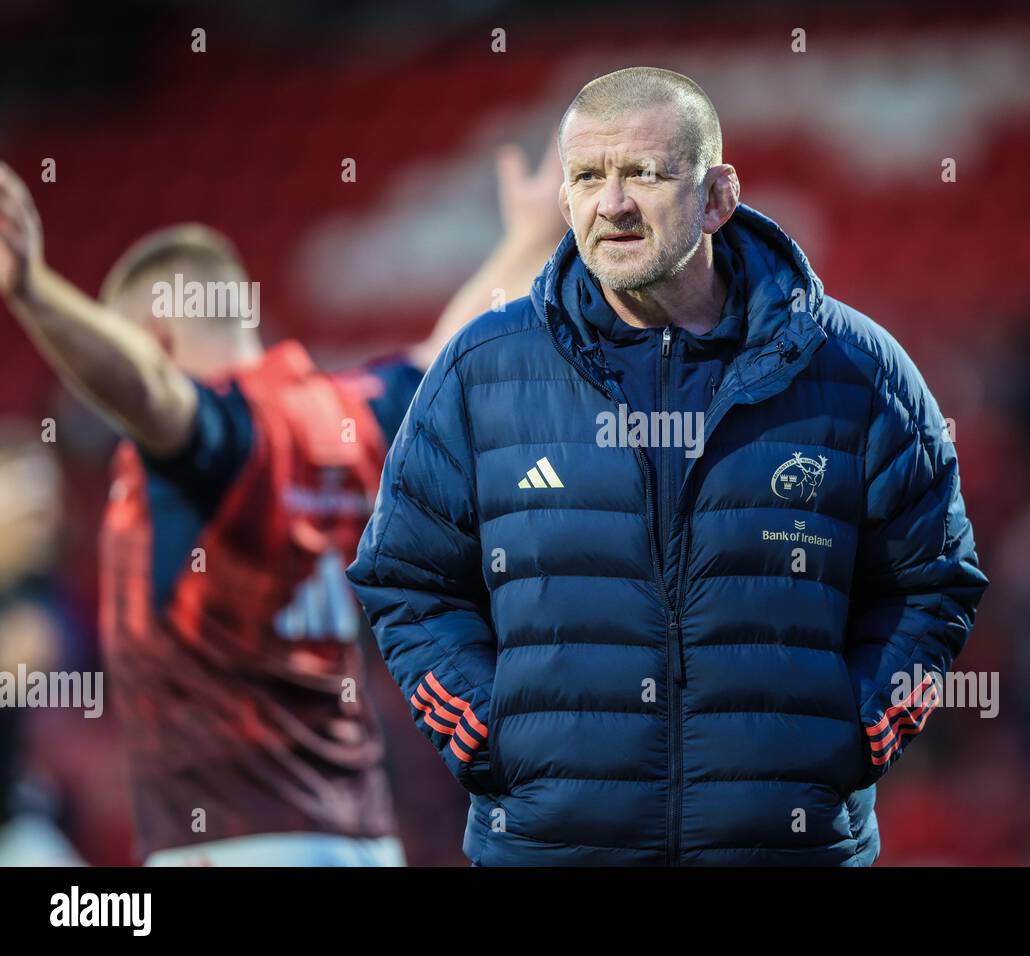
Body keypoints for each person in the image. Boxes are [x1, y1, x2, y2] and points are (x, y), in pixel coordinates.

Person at [348, 67, 989, 866]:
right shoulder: (481, 368)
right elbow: (405, 579)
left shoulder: (856, 369)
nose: (611, 203)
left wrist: (850, 739)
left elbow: (932, 581)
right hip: (554, 849)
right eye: (586, 176)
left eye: (644, 174)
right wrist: (484, 732)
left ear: (719, 196)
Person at [0, 144, 565, 865]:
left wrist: (33, 292)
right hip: (362, 838)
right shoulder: (343, 416)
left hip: (233, 840)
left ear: (153, 335)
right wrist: (528, 238)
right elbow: (442, 349)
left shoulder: (216, 442)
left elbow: (148, 391)